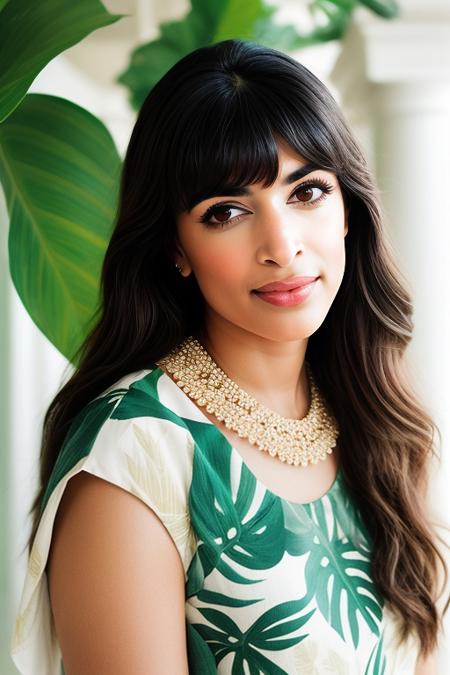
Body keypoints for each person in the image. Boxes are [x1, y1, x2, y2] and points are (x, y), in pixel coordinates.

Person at [10, 39, 449, 675]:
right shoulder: (134, 455)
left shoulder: (371, 414)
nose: (281, 245)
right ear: (176, 248)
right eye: (227, 212)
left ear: (349, 208)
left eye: (307, 193)